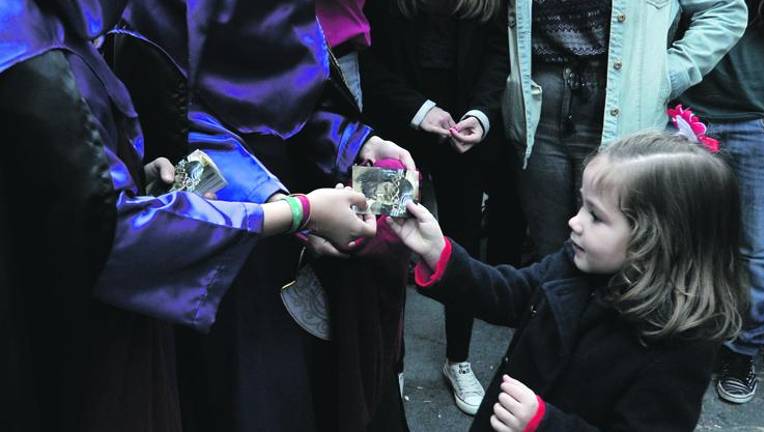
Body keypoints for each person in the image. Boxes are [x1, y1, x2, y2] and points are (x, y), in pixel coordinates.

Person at [0, 1, 379, 430]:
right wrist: (291, 208)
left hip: (217, 225)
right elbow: (107, 224)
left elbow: (297, 87)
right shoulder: (31, 50)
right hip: (199, 253)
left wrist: (353, 142)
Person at [108, 1, 414, 430]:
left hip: (305, 209)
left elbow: (298, 101)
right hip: (227, 234)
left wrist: (359, 143)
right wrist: (286, 206)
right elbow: (172, 133)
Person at [387, 132, 748, 431]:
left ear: (656, 239)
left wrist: (544, 425)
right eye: (581, 206)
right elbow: (509, 293)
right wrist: (439, 254)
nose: (575, 222)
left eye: (596, 216)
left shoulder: (679, 345)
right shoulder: (576, 264)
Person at [504, 0, 748, 260]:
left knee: (622, 252)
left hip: (625, 105)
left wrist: (670, 74)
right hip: (538, 112)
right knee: (549, 248)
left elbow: (725, 9)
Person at [361, 0, 513, 414]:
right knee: (383, 242)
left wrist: (481, 116)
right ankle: (392, 362)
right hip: (391, 132)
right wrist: (419, 110)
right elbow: (364, 61)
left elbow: (500, 55)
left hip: (462, 135)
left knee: (458, 243)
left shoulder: (486, 7)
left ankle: (458, 359)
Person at [677, 0, 764, 404]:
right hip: (688, 112)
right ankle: (679, 337)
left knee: (755, 250)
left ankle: (741, 353)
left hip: (755, 120)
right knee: (681, 237)